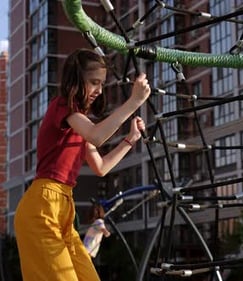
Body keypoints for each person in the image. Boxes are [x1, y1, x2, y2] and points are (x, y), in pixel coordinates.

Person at [14, 48, 151, 281]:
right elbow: (97, 136)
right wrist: (134, 101)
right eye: (94, 83)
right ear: (76, 80)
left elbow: (101, 167)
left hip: (63, 209)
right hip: (42, 207)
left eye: (102, 84)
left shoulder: (78, 127)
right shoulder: (62, 107)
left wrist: (130, 140)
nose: (99, 90)